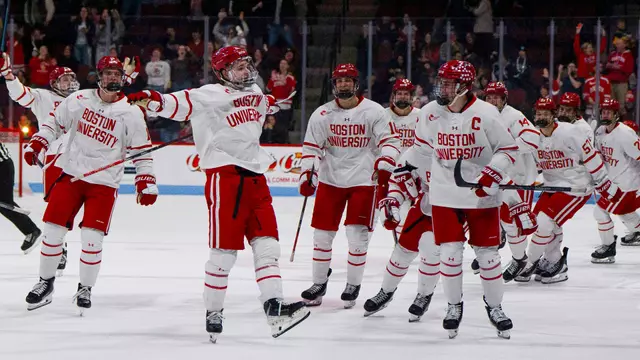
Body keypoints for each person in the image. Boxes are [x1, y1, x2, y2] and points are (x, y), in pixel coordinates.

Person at [126, 46, 310, 342]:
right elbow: (175, 103)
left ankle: (275, 308)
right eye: (238, 66)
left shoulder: (255, 92)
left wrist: (271, 102)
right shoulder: (208, 94)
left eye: (246, 64)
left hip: (256, 179)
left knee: (268, 247)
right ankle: (214, 311)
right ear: (222, 72)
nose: (245, 71)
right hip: (225, 178)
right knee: (224, 253)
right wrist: (151, 99)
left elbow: (266, 103)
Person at [21, 56, 158, 314]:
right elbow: (54, 123)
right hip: (71, 175)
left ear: (122, 78)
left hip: (104, 185)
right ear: (99, 76)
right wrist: (39, 141)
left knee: (92, 239)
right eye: (108, 73)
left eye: (117, 74)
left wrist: (145, 179)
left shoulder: (131, 112)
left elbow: (142, 151)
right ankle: (45, 283)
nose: (113, 78)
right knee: (51, 232)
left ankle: (85, 287)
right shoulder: (79, 99)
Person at [415, 60, 521, 339]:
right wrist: (404, 171)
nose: (442, 87)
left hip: (480, 196)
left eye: (449, 83)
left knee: (488, 257)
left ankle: (495, 307)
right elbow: (421, 150)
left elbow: (509, 149)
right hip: (444, 195)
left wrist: (492, 172)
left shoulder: (486, 113)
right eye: (442, 81)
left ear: (464, 86)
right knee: (449, 254)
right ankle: (453, 306)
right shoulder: (429, 113)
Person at [298, 63, 401, 309]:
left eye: (348, 80)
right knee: (322, 237)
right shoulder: (322, 114)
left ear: (356, 84)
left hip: (364, 181)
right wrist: (307, 174)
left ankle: (353, 284)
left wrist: (386, 160)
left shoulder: (374, 111)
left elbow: (390, 141)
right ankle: (318, 283)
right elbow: (311, 148)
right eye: (339, 80)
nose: (343, 84)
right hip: (330, 181)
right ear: (334, 85)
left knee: (357, 237)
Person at [517, 98, 622, 284]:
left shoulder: (572, 132)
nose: (541, 116)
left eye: (545, 113)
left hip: (576, 187)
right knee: (542, 223)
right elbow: (517, 156)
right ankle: (555, 262)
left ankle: (528, 262)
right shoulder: (533, 135)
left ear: (553, 114)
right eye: (538, 113)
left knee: (544, 223)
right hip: (552, 186)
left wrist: (603, 183)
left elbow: (591, 156)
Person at [482, 82, 540, 282]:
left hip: (519, 178)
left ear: (504, 99)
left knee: (514, 221)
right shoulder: (483, 116)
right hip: (497, 176)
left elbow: (533, 138)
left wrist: (507, 148)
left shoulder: (513, 116)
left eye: (496, 97)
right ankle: (502, 249)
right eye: (489, 97)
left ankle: (519, 259)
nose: (492, 101)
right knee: (494, 218)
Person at [0, 53, 47, 254]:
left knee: (4, 204)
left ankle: (46, 240)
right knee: (4, 205)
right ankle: (32, 231)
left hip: (2, 166)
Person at [592, 98, 640, 259]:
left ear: (616, 114)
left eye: (608, 112)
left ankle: (608, 247)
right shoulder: (600, 131)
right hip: (613, 182)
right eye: (603, 111)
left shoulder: (625, 134)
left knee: (600, 212)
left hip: (627, 183)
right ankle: (638, 232)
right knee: (625, 213)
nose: (605, 114)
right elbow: (599, 155)